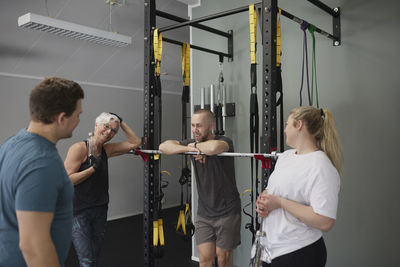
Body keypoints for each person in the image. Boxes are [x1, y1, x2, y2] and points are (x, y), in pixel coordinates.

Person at [0, 77, 84, 267]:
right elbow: (33, 247)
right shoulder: (42, 164)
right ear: (62, 118)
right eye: (78, 115)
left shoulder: (12, 143)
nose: (79, 121)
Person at [255, 106, 343, 267]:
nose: (285, 130)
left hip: (299, 252)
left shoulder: (321, 166)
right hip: (272, 250)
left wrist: (280, 203)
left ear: (299, 125)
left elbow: (325, 221)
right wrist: (264, 200)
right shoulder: (286, 157)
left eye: (287, 125)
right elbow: (275, 189)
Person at [159, 109, 241, 267]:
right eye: (193, 125)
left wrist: (196, 146)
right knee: (204, 261)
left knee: (222, 260)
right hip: (204, 212)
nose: (195, 129)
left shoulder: (225, 141)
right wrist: (190, 149)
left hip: (227, 211)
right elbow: (164, 147)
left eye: (199, 126)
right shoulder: (191, 143)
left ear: (211, 126)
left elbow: (213, 148)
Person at [64, 112, 141, 266]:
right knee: (87, 260)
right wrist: (92, 169)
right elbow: (67, 180)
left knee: (94, 256)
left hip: (100, 209)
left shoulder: (107, 150)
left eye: (113, 131)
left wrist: (121, 120)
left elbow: (135, 142)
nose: (109, 133)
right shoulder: (79, 148)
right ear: (96, 125)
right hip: (79, 212)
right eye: (106, 127)